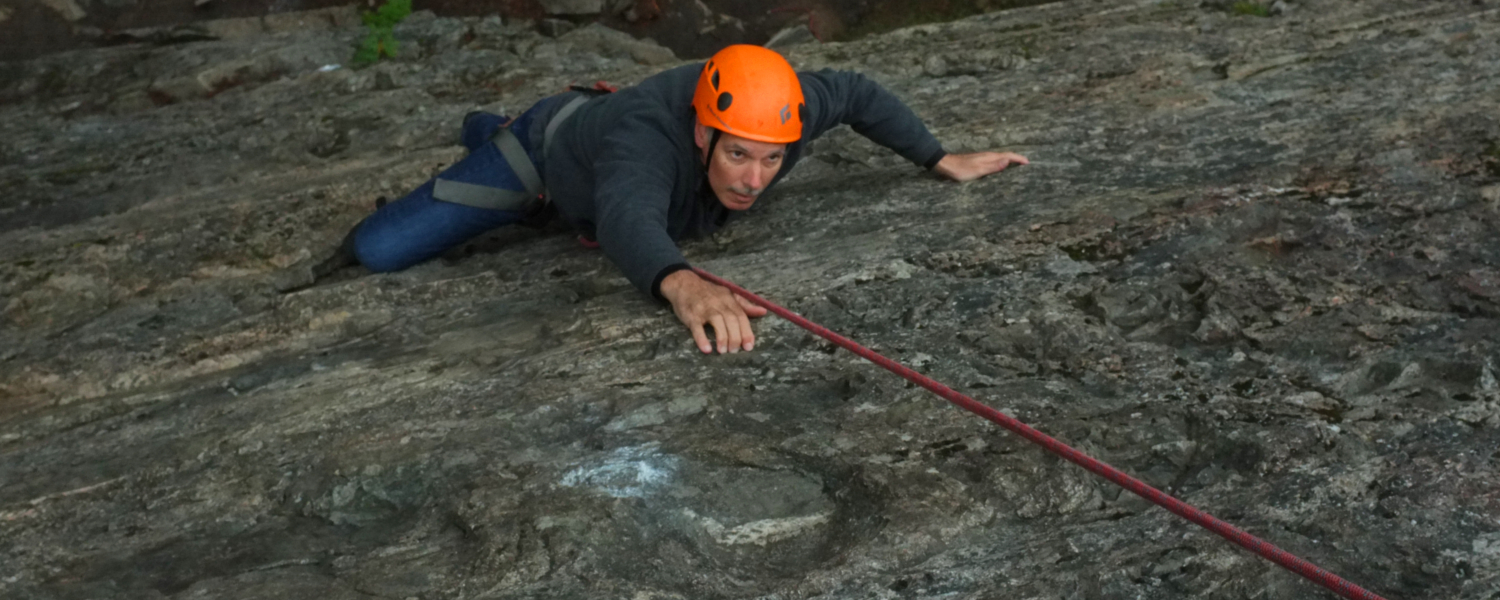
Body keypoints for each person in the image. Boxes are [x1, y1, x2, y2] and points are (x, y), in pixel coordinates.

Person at [319, 44, 1028, 355]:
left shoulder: (784, 104)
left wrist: (937, 157)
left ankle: (497, 132)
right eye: (738, 155)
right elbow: (629, 215)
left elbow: (861, 93)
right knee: (382, 250)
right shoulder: (645, 139)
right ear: (700, 129)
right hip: (546, 156)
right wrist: (680, 283)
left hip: (593, 154)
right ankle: (497, 132)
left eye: (771, 159)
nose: (755, 179)